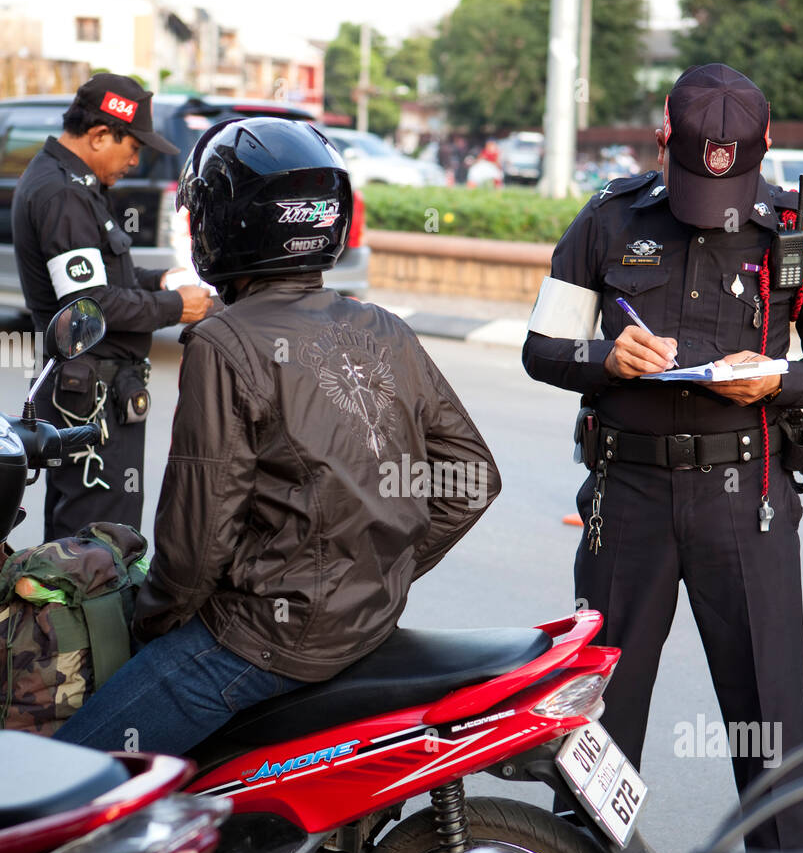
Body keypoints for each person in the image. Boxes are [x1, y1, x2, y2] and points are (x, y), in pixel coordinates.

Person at [523, 62, 803, 853]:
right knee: (599, 711)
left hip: (743, 500)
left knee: (770, 716)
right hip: (627, 498)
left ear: (766, 148)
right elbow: (542, 348)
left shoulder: (795, 227)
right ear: (664, 137)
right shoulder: (608, 218)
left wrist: (778, 378)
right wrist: (607, 356)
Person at [56, 117, 500, 755]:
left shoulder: (223, 340)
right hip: (368, 623)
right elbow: (471, 478)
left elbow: (196, 543)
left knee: (72, 768)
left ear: (223, 222)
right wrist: (378, 569)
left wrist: (149, 620)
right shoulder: (385, 328)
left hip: (261, 636)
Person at [11, 72, 213, 540]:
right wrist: (174, 307)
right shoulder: (63, 192)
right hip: (90, 397)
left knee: (86, 535)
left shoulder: (74, 185)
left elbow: (101, 278)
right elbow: (90, 303)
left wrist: (159, 280)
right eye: (133, 147)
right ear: (101, 135)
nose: (136, 160)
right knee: (97, 544)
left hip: (92, 390)